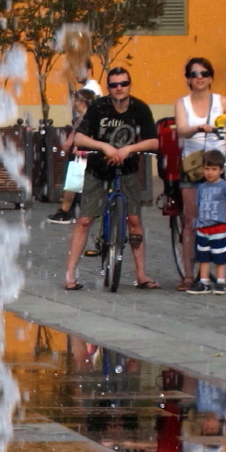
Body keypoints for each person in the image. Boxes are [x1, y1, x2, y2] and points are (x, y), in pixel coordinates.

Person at [62, 68, 160, 290]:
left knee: (134, 221)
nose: (119, 88)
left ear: (129, 85)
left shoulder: (140, 108)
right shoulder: (99, 107)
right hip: (98, 168)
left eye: (123, 84)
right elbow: (79, 136)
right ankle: (69, 274)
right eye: (114, 85)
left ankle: (141, 274)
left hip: (127, 169)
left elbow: (154, 141)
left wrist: (129, 149)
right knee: (84, 220)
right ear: (108, 88)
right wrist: (104, 146)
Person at [174, 57, 226, 288]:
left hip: (217, 166)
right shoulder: (182, 103)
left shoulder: (221, 101)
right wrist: (197, 128)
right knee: (190, 220)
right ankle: (188, 275)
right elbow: (182, 130)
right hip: (193, 165)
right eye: (194, 74)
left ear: (211, 77)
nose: (200, 77)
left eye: (204, 73)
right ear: (188, 79)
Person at [187, 149, 226, 294]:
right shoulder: (201, 187)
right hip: (203, 228)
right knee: (203, 257)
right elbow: (198, 205)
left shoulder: (224, 187)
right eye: (207, 169)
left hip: (219, 229)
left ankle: (220, 282)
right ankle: (204, 282)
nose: (210, 172)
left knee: (220, 256)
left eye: (214, 169)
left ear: (221, 170)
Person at [44, 87, 97, 224]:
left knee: (73, 184)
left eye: (75, 101)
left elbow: (89, 135)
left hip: (82, 155)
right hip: (80, 154)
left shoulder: (87, 118)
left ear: (82, 102)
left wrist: (80, 148)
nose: (73, 103)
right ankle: (71, 211)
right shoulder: (80, 118)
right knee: (75, 184)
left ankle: (65, 211)